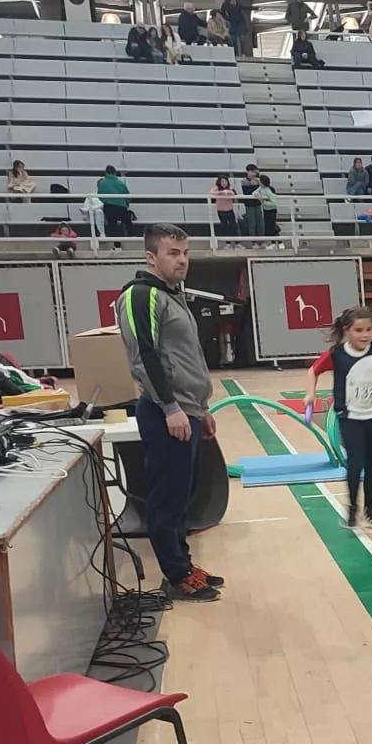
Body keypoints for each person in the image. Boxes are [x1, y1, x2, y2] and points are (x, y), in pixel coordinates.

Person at [117, 225, 220, 602]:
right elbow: (145, 356)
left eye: (185, 252)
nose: (182, 260)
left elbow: (185, 359)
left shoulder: (173, 296)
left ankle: (185, 564)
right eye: (173, 253)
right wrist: (171, 407)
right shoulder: (140, 295)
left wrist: (201, 408)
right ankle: (176, 576)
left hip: (188, 411)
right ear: (151, 258)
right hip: (165, 413)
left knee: (184, 495)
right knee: (166, 498)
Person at [304, 306, 372, 529]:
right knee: (355, 462)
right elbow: (313, 371)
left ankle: (371, 510)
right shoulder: (337, 355)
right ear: (347, 330)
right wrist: (310, 394)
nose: (365, 334)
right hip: (349, 416)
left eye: (369, 329)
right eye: (359, 330)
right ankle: (352, 507)